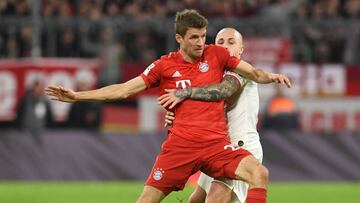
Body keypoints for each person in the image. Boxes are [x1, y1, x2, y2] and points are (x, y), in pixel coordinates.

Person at [46, 9, 291, 203]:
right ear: (179, 38)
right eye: (194, 37)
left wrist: (270, 76)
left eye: (203, 36)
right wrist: (78, 96)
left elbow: (252, 74)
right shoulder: (164, 66)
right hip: (180, 147)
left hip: (217, 145)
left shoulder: (217, 55)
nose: (200, 43)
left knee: (260, 174)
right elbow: (122, 90)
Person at [160, 27, 263, 203]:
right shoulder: (213, 77)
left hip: (241, 146)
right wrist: (177, 117)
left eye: (231, 42)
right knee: (196, 200)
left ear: (241, 49)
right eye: (220, 42)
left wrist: (185, 92)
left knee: (215, 199)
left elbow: (224, 91)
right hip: (219, 149)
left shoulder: (242, 70)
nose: (225, 46)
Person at [16, 79, 54, 146]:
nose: (41, 89)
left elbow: (49, 117)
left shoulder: (45, 101)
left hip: (42, 132)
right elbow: (20, 114)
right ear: (34, 87)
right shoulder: (26, 99)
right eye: (39, 87)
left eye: (42, 87)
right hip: (26, 131)